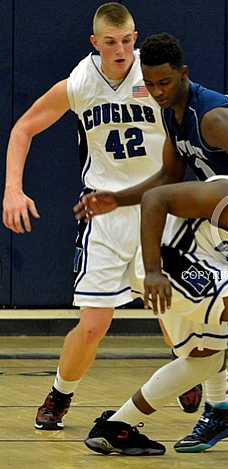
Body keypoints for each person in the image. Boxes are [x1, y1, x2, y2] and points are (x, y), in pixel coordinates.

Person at [75, 32, 228, 452]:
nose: (158, 92)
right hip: (199, 239)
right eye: (151, 84)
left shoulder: (215, 120)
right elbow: (167, 179)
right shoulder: (173, 112)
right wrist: (116, 199)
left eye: (165, 83)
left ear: (184, 74)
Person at [0, 3, 194, 430]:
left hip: (157, 205)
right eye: (111, 43)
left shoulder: (158, 76)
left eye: (127, 40)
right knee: (93, 324)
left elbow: (195, 121)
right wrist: (13, 189)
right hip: (103, 210)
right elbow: (22, 129)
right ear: (95, 44)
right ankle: (59, 395)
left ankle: (189, 371)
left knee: (173, 311)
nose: (121, 50)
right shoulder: (81, 82)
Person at [83, 165, 228, 466]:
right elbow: (155, 198)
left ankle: (116, 427)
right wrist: (154, 271)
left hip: (205, 267)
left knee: (205, 360)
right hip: (168, 262)